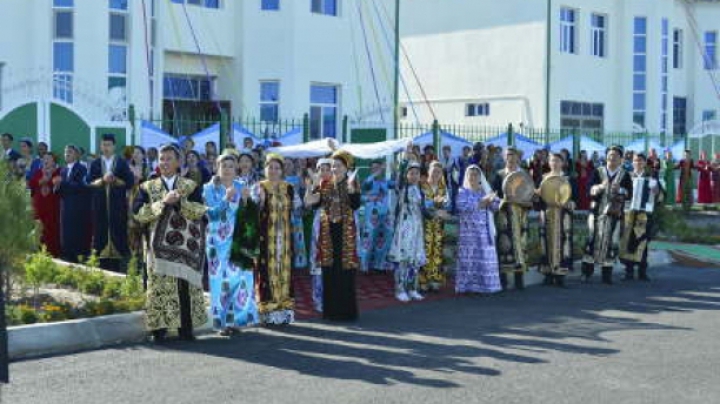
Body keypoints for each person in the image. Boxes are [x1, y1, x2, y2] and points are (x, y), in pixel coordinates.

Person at [133, 144, 207, 342]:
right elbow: (138, 214)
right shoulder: (147, 186)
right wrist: (163, 203)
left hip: (184, 249)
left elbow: (201, 211)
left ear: (178, 162)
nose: (164, 163)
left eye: (168, 159)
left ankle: (186, 330)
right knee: (158, 287)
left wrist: (181, 203)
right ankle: (159, 330)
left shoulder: (189, 186)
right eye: (161, 159)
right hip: (157, 250)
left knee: (184, 287)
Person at [204, 153, 259, 335]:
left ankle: (237, 320)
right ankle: (222, 323)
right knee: (220, 282)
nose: (227, 169)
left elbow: (252, 214)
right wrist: (226, 200)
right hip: (217, 243)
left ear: (236, 169)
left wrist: (246, 201)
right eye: (224, 165)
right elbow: (210, 215)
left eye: (231, 166)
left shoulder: (242, 186)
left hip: (239, 241)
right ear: (216, 168)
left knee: (241, 279)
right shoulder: (208, 189)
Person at [306, 150, 361, 321]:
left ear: (346, 167)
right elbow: (311, 203)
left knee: (345, 271)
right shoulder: (325, 184)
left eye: (338, 165)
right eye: (333, 165)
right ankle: (330, 311)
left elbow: (356, 205)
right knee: (329, 270)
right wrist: (311, 187)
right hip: (328, 233)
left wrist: (351, 190)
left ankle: (346, 311)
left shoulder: (352, 183)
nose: (335, 168)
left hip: (345, 233)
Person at [255, 153, 297, 325]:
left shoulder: (289, 188)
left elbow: (299, 210)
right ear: (264, 169)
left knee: (285, 271)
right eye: (270, 167)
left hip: (285, 236)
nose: (273, 171)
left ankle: (284, 308)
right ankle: (268, 310)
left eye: (277, 168)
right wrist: (260, 202)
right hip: (266, 236)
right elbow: (251, 212)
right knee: (266, 272)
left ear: (282, 170)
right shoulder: (259, 187)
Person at [582, 146, 633, 284]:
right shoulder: (597, 172)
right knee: (592, 238)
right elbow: (588, 190)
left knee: (612, 241)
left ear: (621, 159)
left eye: (616, 156)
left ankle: (607, 274)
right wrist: (599, 187)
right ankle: (587, 272)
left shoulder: (625, 174)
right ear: (606, 157)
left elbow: (630, 194)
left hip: (614, 214)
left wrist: (620, 190)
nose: (612, 158)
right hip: (596, 212)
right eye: (610, 155)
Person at [88, 134, 134, 266]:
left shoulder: (121, 162)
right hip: (100, 204)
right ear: (100, 146)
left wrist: (115, 180)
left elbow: (130, 182)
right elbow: (88, 182)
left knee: (118, 229)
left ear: (114, 146)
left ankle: (118, 263)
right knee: (100, 230)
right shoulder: (95, 163)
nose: (106, 147)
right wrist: (102, 180)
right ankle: (100, 263)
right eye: (103, 145)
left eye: (109, 145)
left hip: (117, 205)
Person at [455, 165, 501, 294]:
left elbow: (496, 207)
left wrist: (492, 200)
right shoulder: (462, 192)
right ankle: (467, 287)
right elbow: (462, 207)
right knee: (468, 260)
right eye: (471, 174)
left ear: (480, 177)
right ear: (467, 176)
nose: (473, 177)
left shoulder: (485, 191)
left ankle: (485, 287)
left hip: (483, 232)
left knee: (484, 258)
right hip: (468, 233)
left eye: (476, 174)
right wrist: (481, 202)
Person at [388, 161, 428, 302]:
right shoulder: (402, 188)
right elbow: (398, 181)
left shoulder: (421, 191)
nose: (414, 176)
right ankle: (400, 289)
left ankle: (412, 288)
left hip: (417, 228)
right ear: (406, 175)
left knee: (414, 259)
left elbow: (424, 210)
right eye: (411, 173)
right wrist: (406, 156)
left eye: (417, 173)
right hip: (404, 227)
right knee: (402, 258)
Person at [492, 147, 531, 291]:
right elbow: (493, 194)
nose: (511, 158)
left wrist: (524, 201)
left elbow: (530, 193)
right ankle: (503, 280)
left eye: (514, 155)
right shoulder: (499, 175)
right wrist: (502, 201)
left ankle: (519, 279)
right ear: (504, 157)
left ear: (518, 157)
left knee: (521, 244)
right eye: (508, 155)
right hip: (504, 215)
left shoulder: (523, 175)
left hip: (521, 214)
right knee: (504, 245)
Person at [620, 153, 662, 282]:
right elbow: (621, 193)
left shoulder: (651, 177)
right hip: (629, 212)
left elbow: (660, 197)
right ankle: (629, 271)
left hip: (644, 213)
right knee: (628, 241)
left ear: (644, 163)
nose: (637, 163)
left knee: (643, 241)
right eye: (635, 160)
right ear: (632, 162)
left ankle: (642, 271)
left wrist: (656, 191)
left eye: (640, 161)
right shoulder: (627, 176)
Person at [537, 153, 575, 288]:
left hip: (563, 214)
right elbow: (538, 199)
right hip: (547, 213)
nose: (554, 163)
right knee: (545, 241)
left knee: (563, 241)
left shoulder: (568, 178)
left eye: (557, 160)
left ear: (562, 163)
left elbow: (573, 197)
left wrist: (569, 204)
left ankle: (560, 274)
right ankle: (547, 274)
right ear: (548, 162)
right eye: (552, 160)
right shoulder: (543, 178)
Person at [305, 158, 333, 312]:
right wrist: (310, 187)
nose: (324, 172)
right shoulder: (316, 187)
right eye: (321, 169)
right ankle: (318, 299)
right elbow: (308, 203)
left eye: (327, 169)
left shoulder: (338, 186)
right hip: (320, 225)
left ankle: (331, 298)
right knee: (318, 262)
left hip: (336, 226)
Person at [359, 160, 394, 273]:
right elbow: (360, 194)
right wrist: (369, 198)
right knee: (368, 239)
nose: (376, 170)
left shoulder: (386, 182)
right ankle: (364, 265)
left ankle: (379, 264)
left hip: (385, 214)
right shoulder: (368, 181)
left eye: (378, 167)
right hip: (372, 214)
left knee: (384, 238)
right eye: (373, 168)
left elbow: (398, 183)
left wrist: (396, 169)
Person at [56, 145, 91, 263]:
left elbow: (82, 186)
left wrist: (63, 183)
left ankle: (79, 260)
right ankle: (68, 258)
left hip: (78, 209)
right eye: (65, 152)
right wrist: (56, 186)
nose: (67, 154)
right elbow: (62, 190)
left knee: (78, 236)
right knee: (67, 236)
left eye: (70, 152)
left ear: (76, 155)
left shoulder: (82, 169)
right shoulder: (63, 170)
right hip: (66, 208)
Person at [419, 161, 450, 292]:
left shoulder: (443, 188)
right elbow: (421, 204)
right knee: (425, 249)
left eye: (439, 171)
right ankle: (423, 279)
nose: (436, 174)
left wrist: (444, 210)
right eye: (434, 171)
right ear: (429, 171)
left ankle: (435, 278)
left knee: (437, 249)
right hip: (424, 223)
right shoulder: (422, 186)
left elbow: (448, 204)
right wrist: (433, 205)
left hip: (438, 224)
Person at [29, 153, 62, 257]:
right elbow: (31, 184)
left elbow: (59, 185)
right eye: (44, 158)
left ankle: (53, 253)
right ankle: (39, 251)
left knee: (52, 229)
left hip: (53, 206)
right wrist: (41, 181)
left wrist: (51, 180)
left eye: (48, 158)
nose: (46, 160)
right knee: (39, 228)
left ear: (54, 161)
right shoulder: (39, 171)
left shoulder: (58, 171)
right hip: (39, 205)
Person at [282, 158, 308, 270]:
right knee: (284, 238)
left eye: (289, 164)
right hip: (282, 212)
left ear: (293, 165)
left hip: (296, 211)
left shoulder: (298, 178)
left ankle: (300, 262)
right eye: (285, 164)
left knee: (298, 238)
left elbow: (305, 190)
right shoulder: (278, 178)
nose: (287, 166)